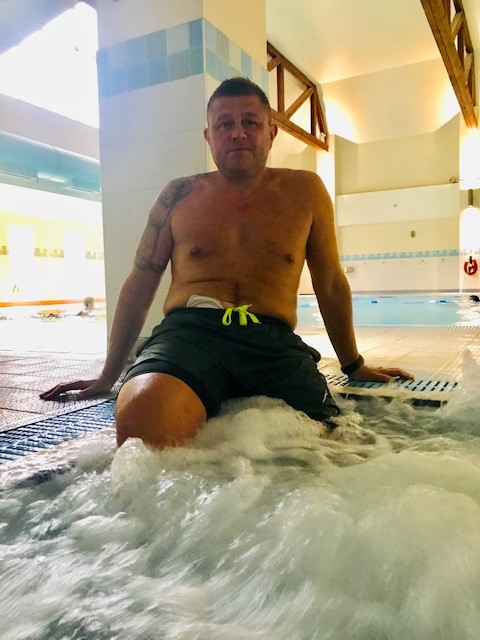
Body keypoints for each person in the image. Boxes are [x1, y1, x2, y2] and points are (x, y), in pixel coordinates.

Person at [41, 78, 413, 448]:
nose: (238, 133)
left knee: (335, 449)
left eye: (250, 122)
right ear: (209, 135)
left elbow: (329, 282)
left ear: (272, 131)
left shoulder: (306, 191)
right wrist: (108, 375)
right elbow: (142, 280)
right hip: (190, 336)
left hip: (272, 343)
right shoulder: (178, 194)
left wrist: (353, 364)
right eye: (225, 124)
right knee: (142, 427)